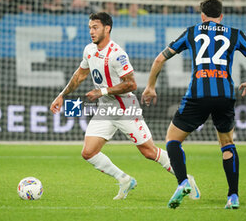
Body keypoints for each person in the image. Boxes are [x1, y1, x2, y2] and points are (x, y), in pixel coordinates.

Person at [50, 12, 200, 200]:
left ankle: (186, 179)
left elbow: (131, 84)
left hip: (125, 108)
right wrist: (62, 95)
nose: (91, 31)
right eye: (90, 27)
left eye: (95, 27)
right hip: (105, 109)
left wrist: (102, 91)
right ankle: (124, 180)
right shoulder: (89, 50)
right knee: (88, 152)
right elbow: (79, 75)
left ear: (107, 28)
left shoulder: (117, 54)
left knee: (149, 152)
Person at [141, 0, 246, 209]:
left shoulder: (193, 31)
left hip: (197, 95)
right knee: (227, 144)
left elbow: (159, 59)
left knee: (172, 139)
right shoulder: (235, 34)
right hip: (225, 96)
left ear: (202, 15)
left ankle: (182, 182)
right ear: (222, 16)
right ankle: (233, 196)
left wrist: (150, 86)